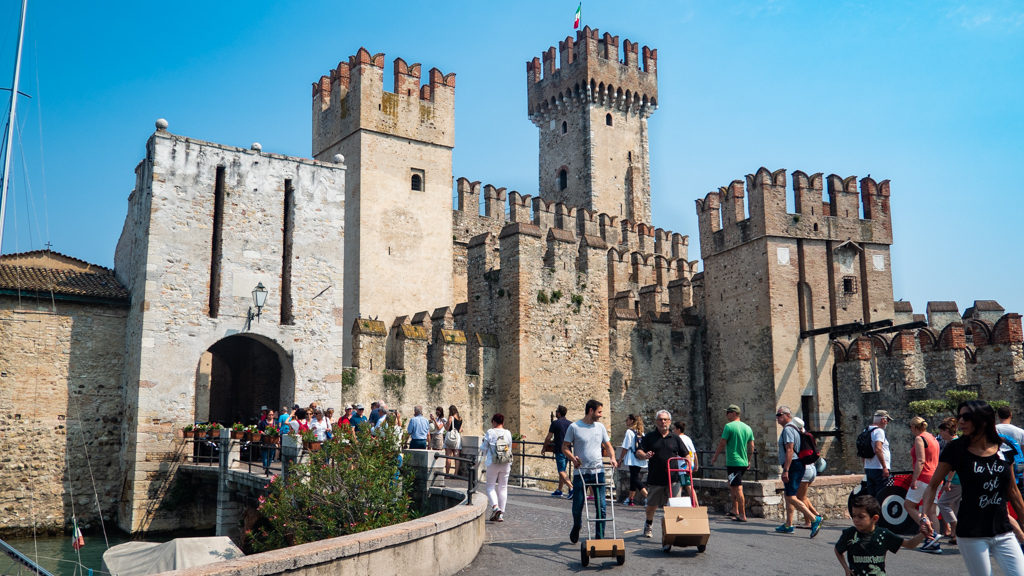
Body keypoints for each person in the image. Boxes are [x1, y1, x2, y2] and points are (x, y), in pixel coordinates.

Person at [923, 400, 1024, 575]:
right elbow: (932, 485)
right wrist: (925, 516)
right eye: (959, 416)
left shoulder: (1004, 449)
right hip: (971, 533)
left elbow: (1013, 492)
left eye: (966, 417)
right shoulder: (956, 449)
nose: (961, 421)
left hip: (1003, 530)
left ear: (983, 420)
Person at [563, 399, 617, 543]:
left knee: (602, 506)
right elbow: (565, 447)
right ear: (591, 410)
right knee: (578, 505)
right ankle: (577, 525)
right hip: (581, 472)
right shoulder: (574, 427)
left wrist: (612, 457)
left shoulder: (600, 427)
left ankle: (599, 539)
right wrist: (573, 458)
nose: (601, 415)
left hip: (598, 471)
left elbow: (608, 445)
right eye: (599, 412)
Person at [835, 494, 929, 576]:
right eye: (854, 516)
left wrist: (923, 534)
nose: (855, 520)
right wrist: (846, 569)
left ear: (874, 518)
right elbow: (838, 550)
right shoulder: (849, 534)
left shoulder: (883, 534)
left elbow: (909, 544)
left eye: (861, 517)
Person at [637, 409, 688, 538]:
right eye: (660, 419)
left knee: (674, 507)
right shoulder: (649, 437)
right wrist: (645, 455)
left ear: (669, 422)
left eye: (665, 419)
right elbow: (639, 452)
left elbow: (685, 454)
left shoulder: (675, 438)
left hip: (673, 479)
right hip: (656, 478)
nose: (663, 422)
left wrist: (688, 463)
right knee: (651, 507)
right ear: (656, 422)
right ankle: (649, 524)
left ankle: (673, 531)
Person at [774, 406, 823, 537]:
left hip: (794, 465)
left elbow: (790, 450)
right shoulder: (794, 429)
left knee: (791, 496)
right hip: (797, 464)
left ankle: (814, 519)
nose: (777, 418)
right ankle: (788, 525)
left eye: (779, 415)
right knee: (789, 495)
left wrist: (786, 470)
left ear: (787, 415)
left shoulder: (788, 429)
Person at [711, 403, 754, 522]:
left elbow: (722, 443)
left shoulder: (729, 427)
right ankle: (735, 509)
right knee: (732, 484)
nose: (726, 415)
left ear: (734, 414)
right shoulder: (747, 427)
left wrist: (715, 457)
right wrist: (749, 460)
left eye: (728, 412)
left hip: (734, 462)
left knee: (738, 487)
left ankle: (742, 515)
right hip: (743, 462)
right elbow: (751, 446)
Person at [905, 416, 941, 553]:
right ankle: (934, 543)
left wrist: (914, 479)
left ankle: (929, 531)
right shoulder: (932, 438)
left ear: (914, 427)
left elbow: (921, 461)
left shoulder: (920, 438)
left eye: (911, 427)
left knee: (908, 505)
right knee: (932, 511)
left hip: (924, 477)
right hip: (936, 477)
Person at [481, 413, 513, 522]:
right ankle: (501, 514)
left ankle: (495, 507)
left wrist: (479, 462)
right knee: (503, 487)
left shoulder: (490, 432)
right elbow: (510, 449)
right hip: (506, 462)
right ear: (503, 422)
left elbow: (484, 449)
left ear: (493, 422)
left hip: (493, 462)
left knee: (490, 487)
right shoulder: (508, 433)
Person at [790, 417, 821, 530]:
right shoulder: (807, 435)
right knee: (803, 496)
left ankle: (809, 521)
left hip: (805, 469)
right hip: (812, 468)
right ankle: (817, 515)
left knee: (800, 497)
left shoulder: (797, 437)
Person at [935, 417, 961, 543]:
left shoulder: (954, 444)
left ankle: (955, 525)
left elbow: (953, 465)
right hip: (958, 480)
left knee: (943, 503)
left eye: (941, 432)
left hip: (955, 480)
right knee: (955, 506)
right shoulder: (957, 442)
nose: (940, 435)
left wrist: (949, 480)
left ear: (946, 430)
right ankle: (956, 534)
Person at [616, 414, 647, 506]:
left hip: (632, 457)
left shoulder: (629, 432)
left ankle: (648, 496)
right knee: (634, 478)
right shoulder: (641, 432)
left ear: (632, 421)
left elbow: (625, 447)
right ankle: (630, 499)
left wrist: (620, 459)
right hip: (639, 458)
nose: (626, 421)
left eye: (627, 420)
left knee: (634, 478)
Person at [543, 405, 573, 498]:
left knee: (561, 470)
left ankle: (572, 488)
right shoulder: (571, 424)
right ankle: (559, 490)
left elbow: (548, 437)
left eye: (556, 411)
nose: (555, 413)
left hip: (560, 449)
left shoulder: (555, 423)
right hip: (568, 450)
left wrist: (544, 447)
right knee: (563, 470)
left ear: (559, 413)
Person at [863, 409, 892, 498]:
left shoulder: (866, 430)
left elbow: (863, 450)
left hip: (869, 467)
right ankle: (879, 512)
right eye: (887, 420)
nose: (887, 423)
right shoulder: (879, 431)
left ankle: (872, 512)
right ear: (883, 419)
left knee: (872, 496)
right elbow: (878, 449)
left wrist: (865, 465)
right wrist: (884, 467)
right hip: (879, 468)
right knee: (881, 495)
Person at [444, 405, 463, 476]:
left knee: (448, 456)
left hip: (450, 436)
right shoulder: (460, 418)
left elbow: (447, 428)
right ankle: (456, 474)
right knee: (456, 457)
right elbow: (460, 430)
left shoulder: (450, 417)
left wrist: (444, 424)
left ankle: (447, 474)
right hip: (457, 437)